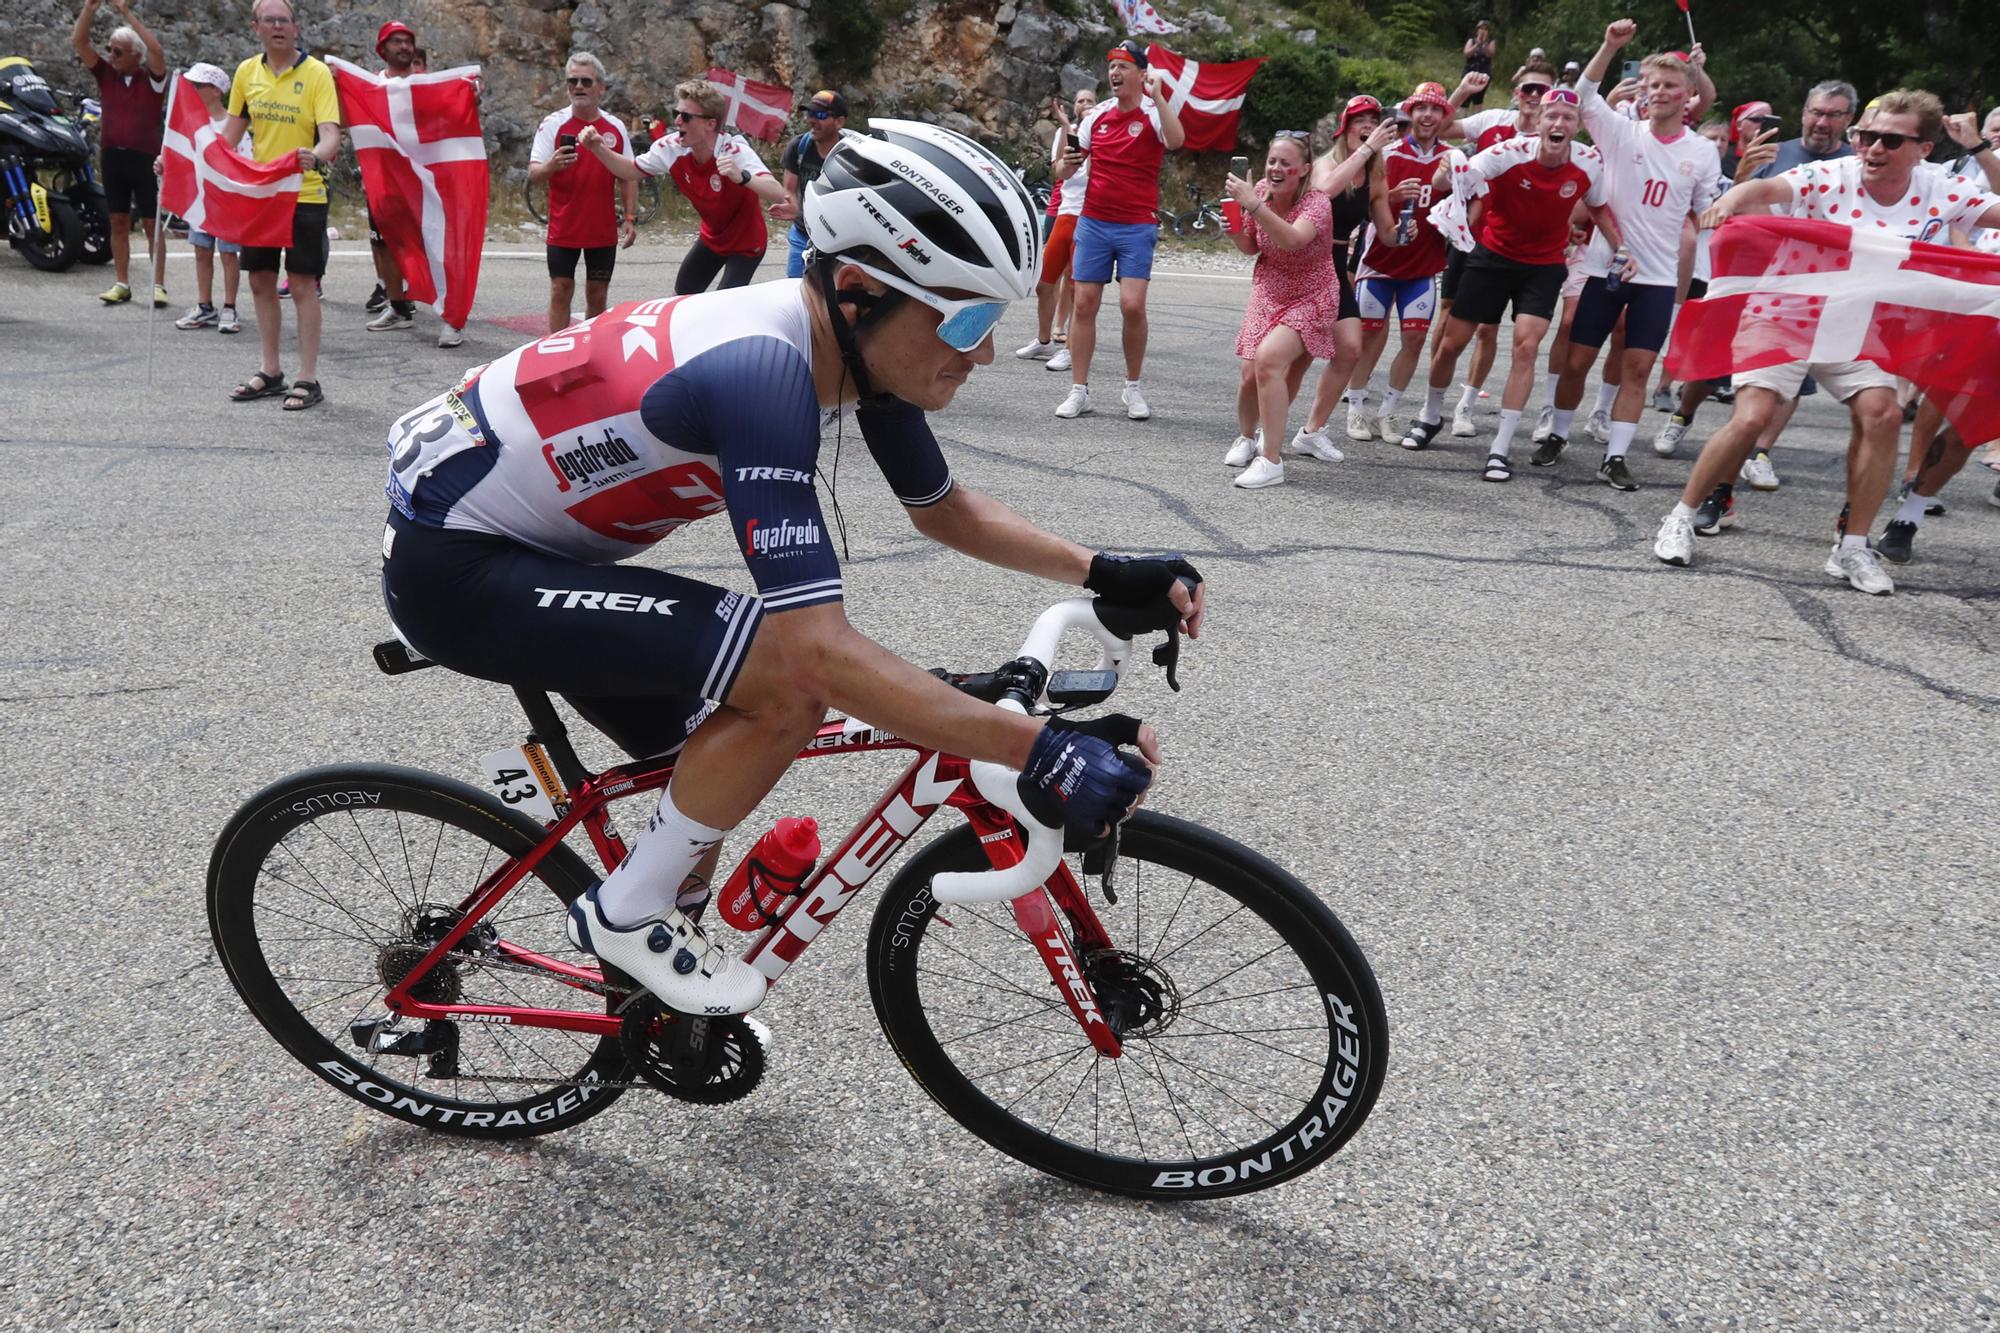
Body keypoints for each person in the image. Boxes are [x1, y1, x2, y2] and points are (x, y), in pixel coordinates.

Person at [377, 118, 1204, 1015]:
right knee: (782, 685)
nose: (985, 351)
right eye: (968, 318)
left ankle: (648, 1000)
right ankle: (623, 917)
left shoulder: (852, 341)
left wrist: (1101, 571)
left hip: (531, 546)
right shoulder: (761, 371)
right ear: (856, 288)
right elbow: (812, 652)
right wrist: (1039, 748)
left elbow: (945, 511)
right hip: (460, 568)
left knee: (708, 763)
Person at [1653, 90, 2000, 595]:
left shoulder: (1940, 187)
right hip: (1790, 306)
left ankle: (1852, 546)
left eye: (1889, 140)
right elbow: (1766, 189)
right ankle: (1681, 516)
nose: (1872, 148)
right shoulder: (1831, 174)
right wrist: (1729, 199)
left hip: (1862, 325)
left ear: (1923, 149)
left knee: (1881, 415)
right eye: (1865, 136)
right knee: (1752, 414)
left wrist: (1981, 151)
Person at [1398, 88, 1619, 482]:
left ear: (1577, 126)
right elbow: (1451, 181)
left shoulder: (1588, 162)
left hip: (1544, 265)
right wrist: (1450, 165)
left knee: (1526, 347)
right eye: (1552, 116)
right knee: (1452, 342)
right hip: (1493, 256)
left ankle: (1500, 447)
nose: (1558, 123)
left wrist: (1623, 249)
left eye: (1568, 118)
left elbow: (1600, 208)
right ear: (1539, 121)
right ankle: (1430, 415)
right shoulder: (1507, 153)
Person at [1535, 25, 1720, 491]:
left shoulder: (1701, 152)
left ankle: (1615, 456)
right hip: (1604, 266)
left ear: (1688, 95)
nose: (1660, 92)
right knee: (1577, 361)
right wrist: (1611, 46)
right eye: (1653, 84)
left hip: (1656, 277)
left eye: (1670, 85)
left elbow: (1705, 214)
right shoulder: (1620, 132)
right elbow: (1583, 93)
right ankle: (1557, 433)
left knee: (1637, 367)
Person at [1052, 40, 1185, 421]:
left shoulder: (1154, 113)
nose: (1114, 73)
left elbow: (1176, 141)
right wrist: (1068, 164)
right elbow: (1065, 171)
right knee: (1083, 303)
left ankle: (1133, 387)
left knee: (1132, 304)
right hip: (1094, 221)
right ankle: (1079, 390)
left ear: (1141, 75)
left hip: (1136, 223)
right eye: (1111, 67)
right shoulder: (1098, 116)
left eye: (1123, 67)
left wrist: (1159, 97)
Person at [220, 0, 340, 412]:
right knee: (260, 281)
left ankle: (308, 377)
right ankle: (270, 371)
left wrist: (317, 155)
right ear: (256, 27)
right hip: (262, 195)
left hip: (304, 192)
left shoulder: (317, 73)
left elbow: (330, 135)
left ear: (296, 27)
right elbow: (228, 137)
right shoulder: (246, 73)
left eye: (284, 20)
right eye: (269, 20)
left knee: (303, 285)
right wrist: (185, 160)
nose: (277, 26)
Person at [1218, 131, 1343, 488]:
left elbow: (1292, 240)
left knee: (1269, 360)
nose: (1276, 168)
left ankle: (1270, 461)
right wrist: (1234, 229)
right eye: (1272, 161)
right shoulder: (1259, 193)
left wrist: (1254, 205)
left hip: (1312, 293)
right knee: (1248, 375)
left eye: (1285, 164)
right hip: (1270, 287)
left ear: (1303, 170)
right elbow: (1250, 246)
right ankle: (1246, 437)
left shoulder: (1317, 203)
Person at [587, 78, 790, 295]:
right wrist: (598, 148)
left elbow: (778, 193)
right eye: (676, 114)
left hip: (747, 243)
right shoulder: (672, 147)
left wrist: (743, 177)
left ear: (710, 124)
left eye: (685, 116)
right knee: (681, 297)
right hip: (712, 237)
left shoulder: (733, 149)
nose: (678, 122)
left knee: (725, 306)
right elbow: (629, 170)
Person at [1437, 61, 1555, 436]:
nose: (1534, 96)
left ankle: (1466, 406)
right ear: (1516, 92)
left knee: (1488, 330)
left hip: (1515, 248)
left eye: (1542, 91)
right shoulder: (1492, 120)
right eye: (1528, 89)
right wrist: (1462, 92)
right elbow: (1438, 129)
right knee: (1448, 321)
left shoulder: (1555, 138)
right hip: (1472, 234)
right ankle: (1433, 403)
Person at [1344, 82, 1456, 444]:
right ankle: (1356, 408)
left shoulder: (1453, 157)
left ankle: (1388, 413)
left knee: (1415, 338)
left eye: (1435, 109)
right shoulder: (1387, 153)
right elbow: (1365, 202)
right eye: (1420, 108)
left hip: (1423, 265)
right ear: (1410, 112)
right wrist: (1392, 196)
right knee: (1368, 335)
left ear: (1443, 116)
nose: (1427, 115)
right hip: (1380, 262)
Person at [1290, 100, 1401, 450]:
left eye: (1373, 121)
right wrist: (1368, 148)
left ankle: (1311, 431)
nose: (1367, 126)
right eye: (1360, 121)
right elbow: (1324, 193)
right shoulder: (1327, 164)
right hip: (1307, 257)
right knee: (1300, 352)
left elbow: (1386, 234)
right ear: (1345, 127)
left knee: (1350, 348)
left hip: (1337, 261)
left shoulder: (1375, 174)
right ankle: (1267, 426)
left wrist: (1407, 230)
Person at [359, 20, 460, 346]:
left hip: (424, 183)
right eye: (396, 41)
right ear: (382, 48)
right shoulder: (371, 85)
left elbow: (453, 119)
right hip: (385, 183)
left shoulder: (428, 84)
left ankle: (452, 318)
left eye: (408, 42)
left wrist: (471, 95)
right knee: (385, 245)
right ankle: (399, 308)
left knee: (435, 248)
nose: (404, 47)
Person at [529, 53, 636, 334]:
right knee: (560, 289)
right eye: (572, 81)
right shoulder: (552, 124)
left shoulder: (615, 127)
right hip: (564, 226)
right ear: (566, 88)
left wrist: (630, 217)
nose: (578, 87)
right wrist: (553, 164)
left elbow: (629, 174)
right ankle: (553, 352)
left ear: (600, 87)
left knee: (597, 293)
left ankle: (588, 353)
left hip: (601, 229)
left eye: (585, 81)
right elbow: (534, 174)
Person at [72, 0, 167, 308]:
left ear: (136, 56)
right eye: (110, 49)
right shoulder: (106, 75)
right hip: (113, 156)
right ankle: (121, 282)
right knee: (118, 220)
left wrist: (126, 13)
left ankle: (158, 284)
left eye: (117, 51)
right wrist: (89, 8)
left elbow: (156, 51)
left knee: (152, 224)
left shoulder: (152, 78)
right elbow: (80, 42)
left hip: (146, 158)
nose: (110, 55)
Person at [1015, 87, 1099, 366]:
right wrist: (1065, 126)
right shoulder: (1070, 133)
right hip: (1065, 213)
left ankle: (1070, 349)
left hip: (1090, 218)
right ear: (1073, 106)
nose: (1085, 104)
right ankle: (1043, 341)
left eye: (1090, 101)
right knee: (1043, 283)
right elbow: (1059, 169)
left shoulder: (1105, 135)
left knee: (1078, 288)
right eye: (1080, 101)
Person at [165, 62, 243, 334]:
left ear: (215, 90)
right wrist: (165, 164)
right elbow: (183, 156)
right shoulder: (192, 123)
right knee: (201, 250)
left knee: (229, 253)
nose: (191, 90)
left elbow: (242, 159)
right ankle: (205, 305)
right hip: (200, 199)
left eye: (197, 86)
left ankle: (230, 307)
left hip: (227, 202)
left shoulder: (232, 123)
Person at [780, 89, 846, 278]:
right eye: (810, 114)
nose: (812, 120)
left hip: (838, 239)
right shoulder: (798, 147)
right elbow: (789, 190)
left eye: (821, 115)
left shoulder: (851, 153)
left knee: (832, 294)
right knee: (793, 288)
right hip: (803, 233)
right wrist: (791, 205)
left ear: (840, 122)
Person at [1461, 21, 1497, 107]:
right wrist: (1477, 44)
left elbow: (1490, 54)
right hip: (1469, 71)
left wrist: (1484, 43)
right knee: (1465, 96)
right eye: (1481, 28)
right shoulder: (1471, 41)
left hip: (1483, 73)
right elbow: (1466, 54)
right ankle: (1463, 116)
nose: (1483, 31)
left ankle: (1477, 117)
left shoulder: (1491, 42)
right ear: (1477, 30)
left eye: (1485, 29)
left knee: (1478, 99)